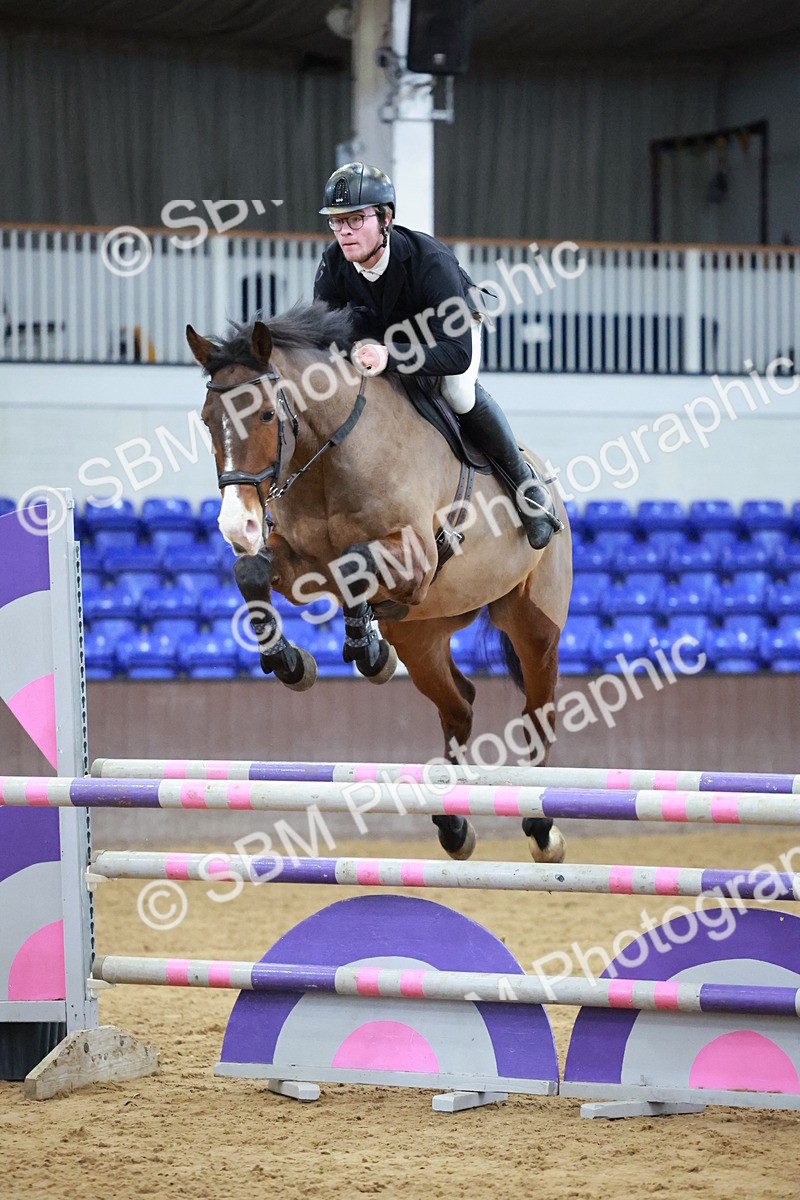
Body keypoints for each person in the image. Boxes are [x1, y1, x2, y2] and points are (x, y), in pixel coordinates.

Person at [313, 162, 560, 550]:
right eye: (336, 222)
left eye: (356, 220)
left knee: (459, 394)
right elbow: (322, 338)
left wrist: (388, 356)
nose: (344, 231)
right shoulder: (333, 262)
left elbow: (457, 354)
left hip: (448, 335)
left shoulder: (431, 262)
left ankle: (527, 490)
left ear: (386, 219)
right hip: (383, 336)